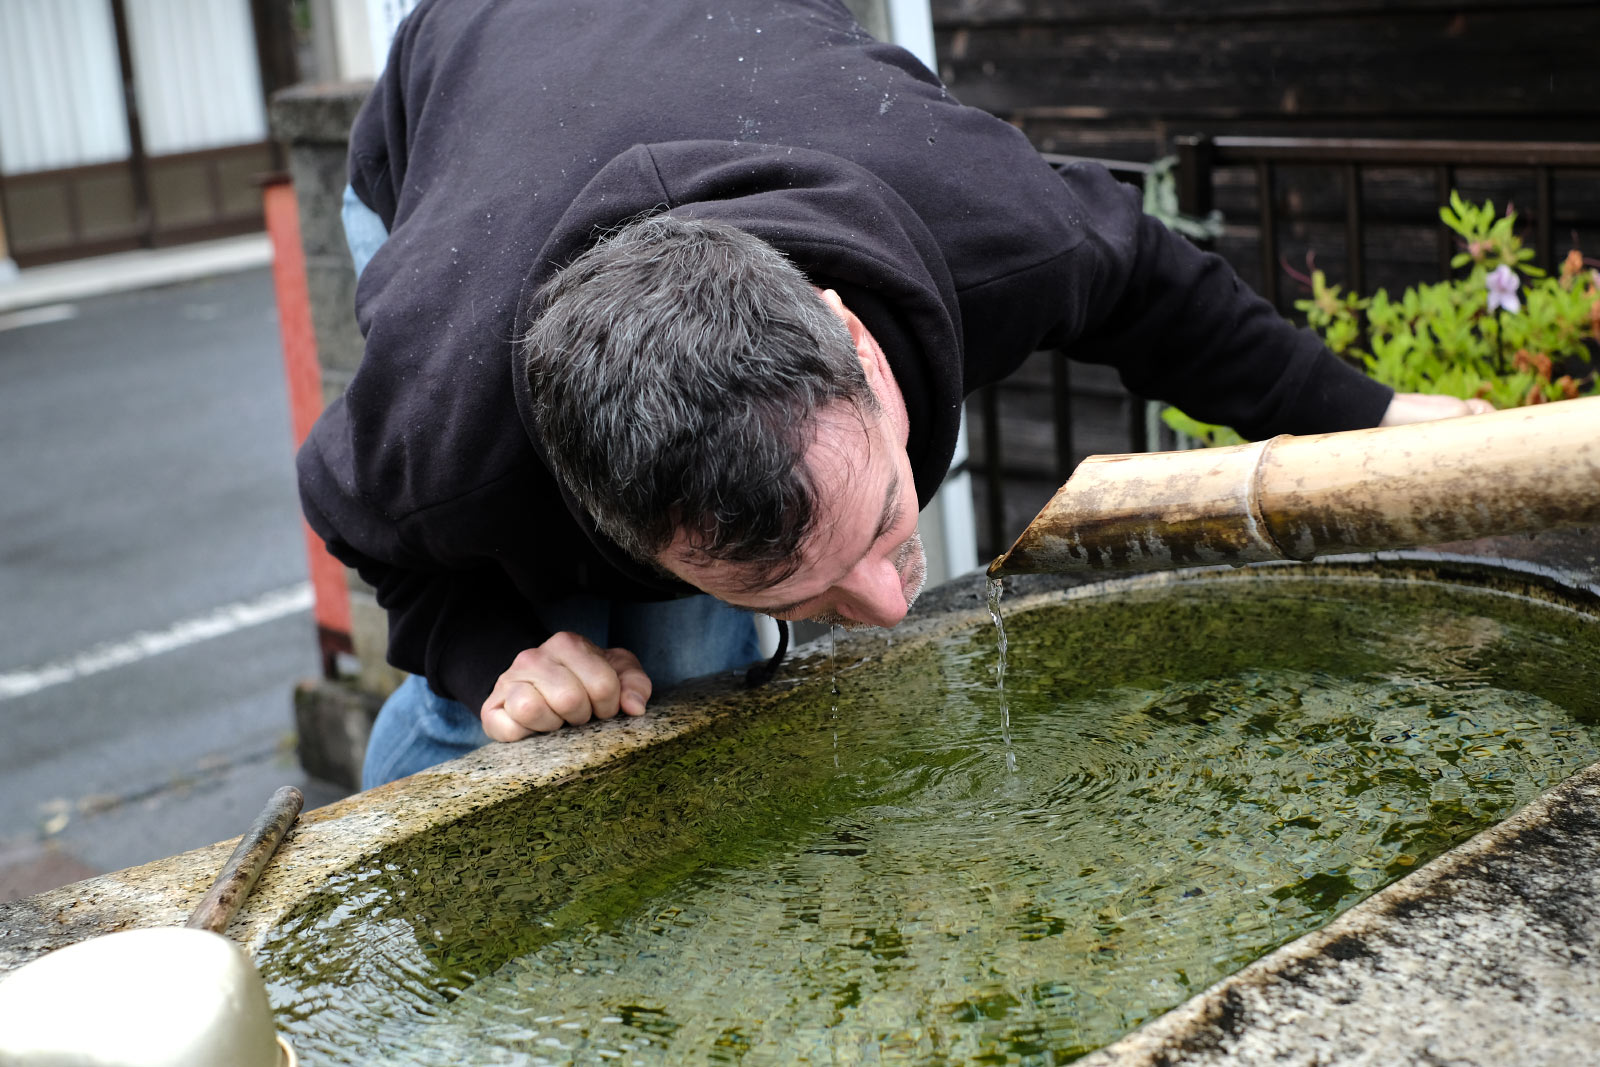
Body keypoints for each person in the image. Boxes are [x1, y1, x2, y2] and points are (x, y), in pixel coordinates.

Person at [300, 0, 1489, 789]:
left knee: (685, 648)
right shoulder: (436, 424)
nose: (882, 602)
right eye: (811, 583)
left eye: (875, 523)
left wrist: (1373, 416)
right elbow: (365, 527)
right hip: (447, 122)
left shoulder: (992, 226)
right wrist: (501, 649)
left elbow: (1153, 285)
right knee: (546, 690)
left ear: (860, 344)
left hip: (702, 43)